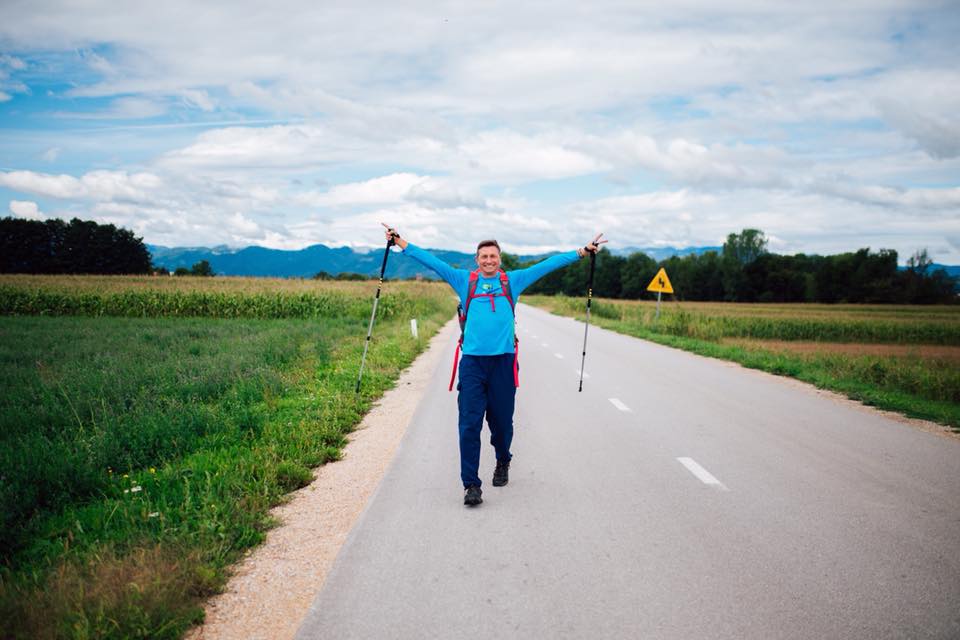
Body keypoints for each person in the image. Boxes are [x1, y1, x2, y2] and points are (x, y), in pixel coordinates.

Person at [381, 223, 606, 507]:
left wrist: (582, 252)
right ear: (477, 260)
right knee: (468, 425)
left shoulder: (513, 281)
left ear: (500, 259)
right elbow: (432, 261)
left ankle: (503, 459)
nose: (489, 260)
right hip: (473, 364)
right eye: (484, 256)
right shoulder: (464, 280)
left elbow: (548, 265)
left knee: (501, 425)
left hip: (504, 363)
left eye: (493, 256)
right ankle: (471, 485)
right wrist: (400, 241)